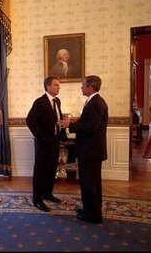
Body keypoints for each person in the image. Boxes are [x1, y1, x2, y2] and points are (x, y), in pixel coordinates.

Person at [60, 75, 108, 224]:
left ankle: (93, 215)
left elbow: (92, 128)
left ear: (90, 88)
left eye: (83, 85)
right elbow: (90, 121)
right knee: (93, 182)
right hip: (92, 150)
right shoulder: (95, 101)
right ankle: (92, 209)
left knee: (88, 183)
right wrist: (77, 120)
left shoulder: (95, 103)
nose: (81, 87)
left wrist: (70, 126)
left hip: (90, 151)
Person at [26, 76, 67, 212]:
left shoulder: (57, 101)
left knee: (51, 170)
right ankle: (37, 200)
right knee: (40, 171)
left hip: (55, 141)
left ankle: (47, 194)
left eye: (58, 85)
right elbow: (30, 120)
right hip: (44, 143)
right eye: (56, 85)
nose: (58, 87)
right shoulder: (40, 102)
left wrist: (61, 132)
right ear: (48, 86)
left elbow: (57, 118)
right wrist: (42, 137)